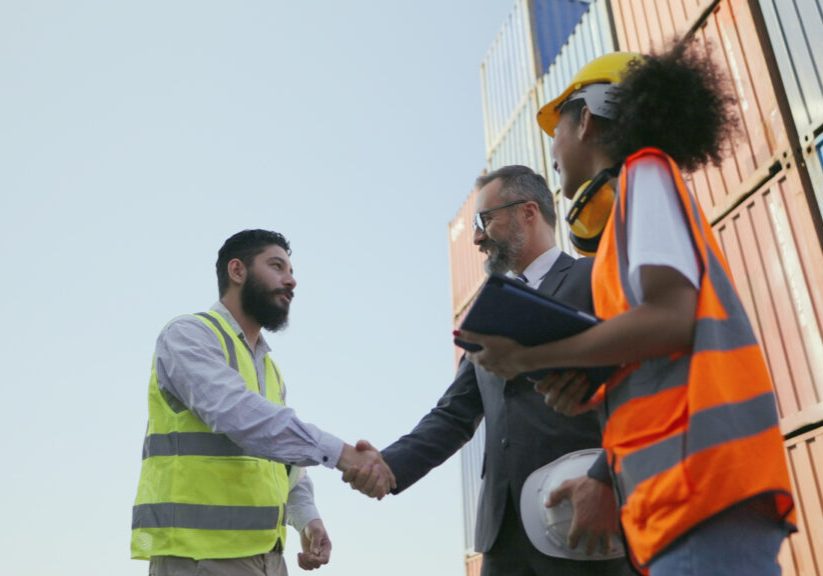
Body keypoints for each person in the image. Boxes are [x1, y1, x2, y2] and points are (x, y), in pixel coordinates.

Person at [457, 44, 796, 575]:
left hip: (700, 489)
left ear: (587, 119)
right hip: (673, 501)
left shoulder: (645, 174)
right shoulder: (616, 236)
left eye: (557, 131)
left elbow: (671, 319)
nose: (552, 148)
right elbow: (659, 356)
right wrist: (594, 390)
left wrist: (529, 357)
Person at [345, 166, 632, 576]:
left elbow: (643, 380)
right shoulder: (488, 310)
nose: (477, 236)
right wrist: (388, 465)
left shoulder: (594, 277)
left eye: (486, 220)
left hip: (582, 518)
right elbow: (454, 414)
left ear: (528, 212)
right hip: (504, 536)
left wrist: (609, 476)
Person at [131, 229, 395, 576]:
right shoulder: (187, 335)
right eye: (277, 266)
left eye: (291, 271)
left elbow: (286, 469)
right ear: (237, 271)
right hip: (197, 558)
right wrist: (343, 455)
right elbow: (240, 417)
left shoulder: (270, 370)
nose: (291, 281)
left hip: (268, 559)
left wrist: (308, 520)